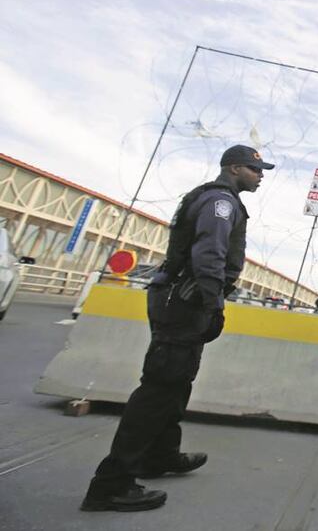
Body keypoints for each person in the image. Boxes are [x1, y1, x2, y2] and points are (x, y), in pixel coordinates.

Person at [81, 145, 274, 512]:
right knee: (160, 387)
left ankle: (159, 455)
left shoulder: (210, 197)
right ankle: (111, 483)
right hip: (185, 301)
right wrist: (213, 302)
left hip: (181, 298)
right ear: (234, 169)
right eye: (255, 168)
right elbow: (209, 253)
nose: (260, 174)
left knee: (177, 381)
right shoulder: (221, 203)